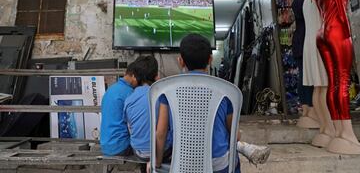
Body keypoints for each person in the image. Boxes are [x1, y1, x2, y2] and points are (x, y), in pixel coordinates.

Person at [154, 34, 270, 173]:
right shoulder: (225, 91)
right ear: (210, 59)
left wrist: (157, 163)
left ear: (181, 61)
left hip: (182, 164)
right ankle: (244, 148)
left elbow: (160, 134)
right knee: (232, 150)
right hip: (218, 165)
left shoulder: (168, 92)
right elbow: (234, 134)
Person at [123, 55, 173, 160]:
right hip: (163, 152)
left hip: (139, 152)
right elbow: (168, 129)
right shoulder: (163, 96)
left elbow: (130, 127)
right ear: (156, 75)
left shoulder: (129, 99)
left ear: (135, 76)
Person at [100, 58, 141, 156]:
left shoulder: (111, 89)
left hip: (105, 145)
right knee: (146, 147)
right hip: (120, 147)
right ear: (134, 77)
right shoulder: (130, 93)